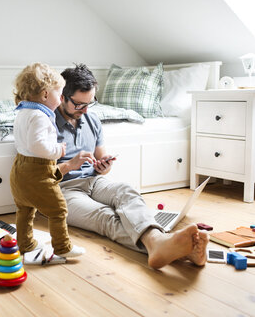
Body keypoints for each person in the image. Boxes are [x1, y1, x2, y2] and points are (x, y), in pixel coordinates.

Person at [54, 64, 208, 269]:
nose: (85, 110)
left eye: (89, 103)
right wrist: (71, 165)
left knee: (127, 191)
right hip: (63, 189)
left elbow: (102, 163)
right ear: (62, 97)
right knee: (105, 216)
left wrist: (104, 166)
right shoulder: (46, 123)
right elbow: (39, 176)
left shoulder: (91, 119)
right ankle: (178, 250)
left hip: (94, 180)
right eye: (79, 104)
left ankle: (165, 246)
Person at [9, 63, 86, 258]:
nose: (61, 99)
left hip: (19, 169)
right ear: (45, 95)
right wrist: (57, 150)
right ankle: (63, 247)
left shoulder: (22, 112)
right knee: (58, 209)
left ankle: (25, 244)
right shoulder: (39, 116)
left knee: (25, 210)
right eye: (59, 94)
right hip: (37, 172)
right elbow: (37, 146)